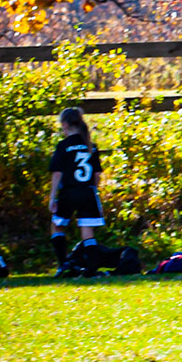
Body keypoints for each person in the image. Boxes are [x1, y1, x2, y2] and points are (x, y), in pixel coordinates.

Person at [48, 106, 106, 276]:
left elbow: (57, 173)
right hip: (87, 192)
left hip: (68, 192)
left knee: (57, 225)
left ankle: (63, 265)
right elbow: (97, 174)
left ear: (65, 124)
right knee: (87, 230)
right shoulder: (91, 146)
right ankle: (91, 270)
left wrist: (52, 197)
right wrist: (93, 191)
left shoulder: (63, 146)